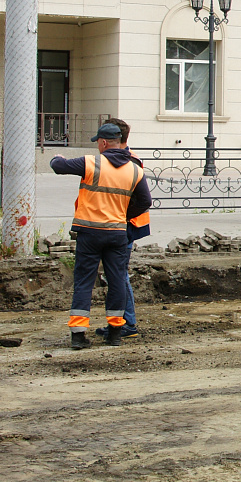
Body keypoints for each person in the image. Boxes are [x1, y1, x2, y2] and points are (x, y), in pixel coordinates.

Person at [50, 122, 151, 349]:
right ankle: (116, 332)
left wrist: (56, 156)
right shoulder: (135, 169)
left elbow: (59, 166)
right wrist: (123, 216)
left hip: (90, 232)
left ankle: (78, 335)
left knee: (84, 281)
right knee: (116, 281)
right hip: (117, 233)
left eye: (97, 142)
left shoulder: (92, 162)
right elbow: (145, 201)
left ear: (104, 142)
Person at [92, 118, 147, 341]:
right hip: (121, 224)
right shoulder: (128, 159)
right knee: (117, 274)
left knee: (119, 274)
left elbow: (138, 199)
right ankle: (122, 321)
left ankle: (127, 322)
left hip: (123, 225)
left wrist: (120, 217)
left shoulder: (129, 162)